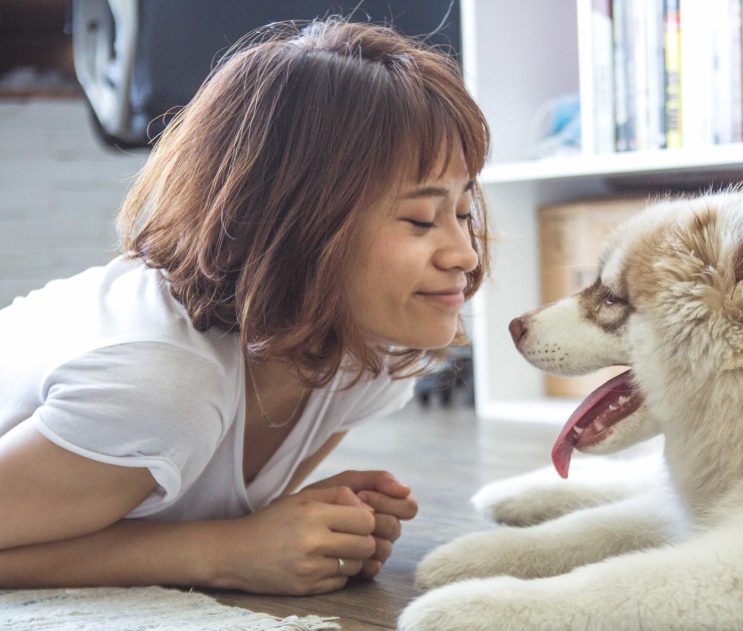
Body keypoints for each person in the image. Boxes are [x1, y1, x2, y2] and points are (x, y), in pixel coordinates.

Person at [0, 18, 490, 596]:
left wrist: (304, 528)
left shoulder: (366, 353)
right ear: (295, 224)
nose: (463, 254)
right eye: (418, 220)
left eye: (462, 212)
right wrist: (221, 553)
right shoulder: (160, 384)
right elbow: (215, 539)